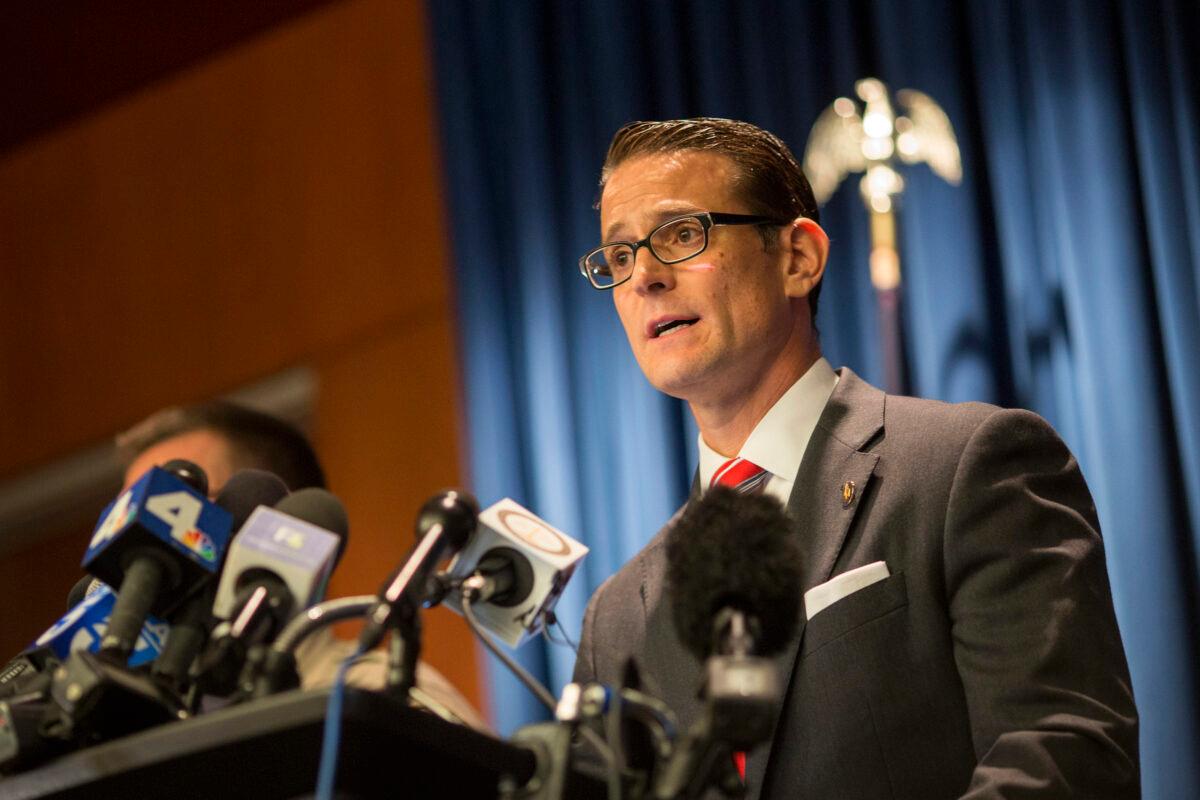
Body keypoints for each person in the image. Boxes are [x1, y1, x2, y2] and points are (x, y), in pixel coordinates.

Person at [571, 118, 1138, 798]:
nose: (644, 279)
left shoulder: (964, 469)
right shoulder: (617, 619)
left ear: (798, 258)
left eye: (682, 234)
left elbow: (1063, 759)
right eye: (621, 256)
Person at [117, 400, 488, 731]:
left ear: (277, 526)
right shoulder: (144, 714)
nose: (141, 538)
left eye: (173, 506)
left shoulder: (375, 695)